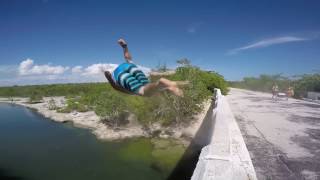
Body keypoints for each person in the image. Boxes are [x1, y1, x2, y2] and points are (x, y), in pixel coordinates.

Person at [104, 39, 187, 97]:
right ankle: (186, 85)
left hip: (123, 74)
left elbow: (117, 87)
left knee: (152, 87)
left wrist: (110, 79)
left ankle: (184, 86)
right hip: (128, 73)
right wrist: (124, 46)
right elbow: (128, 58)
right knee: (152, 87)